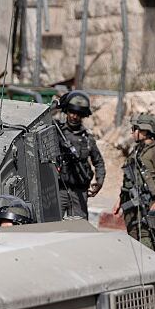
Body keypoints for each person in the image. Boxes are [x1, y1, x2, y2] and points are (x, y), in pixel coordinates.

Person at [112, 112, 155, 250]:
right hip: (132, 204)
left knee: (146, 241)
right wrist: (119, 201)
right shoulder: (137, 150)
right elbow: (128, 180)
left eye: (135, 129)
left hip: (146, 204)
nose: (132, 132)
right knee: (133, 240)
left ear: (145, 131)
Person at [54, 90, 106, 220]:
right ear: (66, 112)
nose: (74, 116)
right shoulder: (56, 133)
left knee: (79, 230)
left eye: (78, 114)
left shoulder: (87, 138)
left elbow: (98, 162)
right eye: (72, 112)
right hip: (59, 189)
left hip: (79, 191)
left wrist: (99, 182)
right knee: (51, 227)